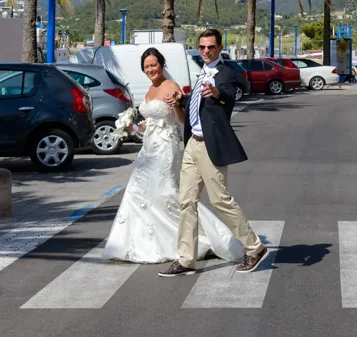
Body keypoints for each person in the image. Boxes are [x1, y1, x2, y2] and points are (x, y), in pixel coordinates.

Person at [104, 47, 243, 264]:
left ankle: (203, 239)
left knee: (165, 192)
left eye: (154, 65)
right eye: (147, 66)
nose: (150, 69)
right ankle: (143, 242)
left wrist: (177, 104)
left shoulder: (171, 86)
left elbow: (181, 119)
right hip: (148, 148)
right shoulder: (150, 90)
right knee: (139, 192)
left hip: (166, 147)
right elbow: (150, 121)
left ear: (161, 65)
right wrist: (133, 128)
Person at [160, 28, 268, 277]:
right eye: (202, 47)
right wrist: (181, 99)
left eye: (210, 47)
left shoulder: (226, 73)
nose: (206, 51)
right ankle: (185, 259)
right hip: (192, 145)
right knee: (186, 201)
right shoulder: (202, 74)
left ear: (220, 48)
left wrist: (218, 93)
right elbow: (197, 106)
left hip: (211, 145)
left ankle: (254, 247)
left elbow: (229, 95)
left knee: (219, 199)